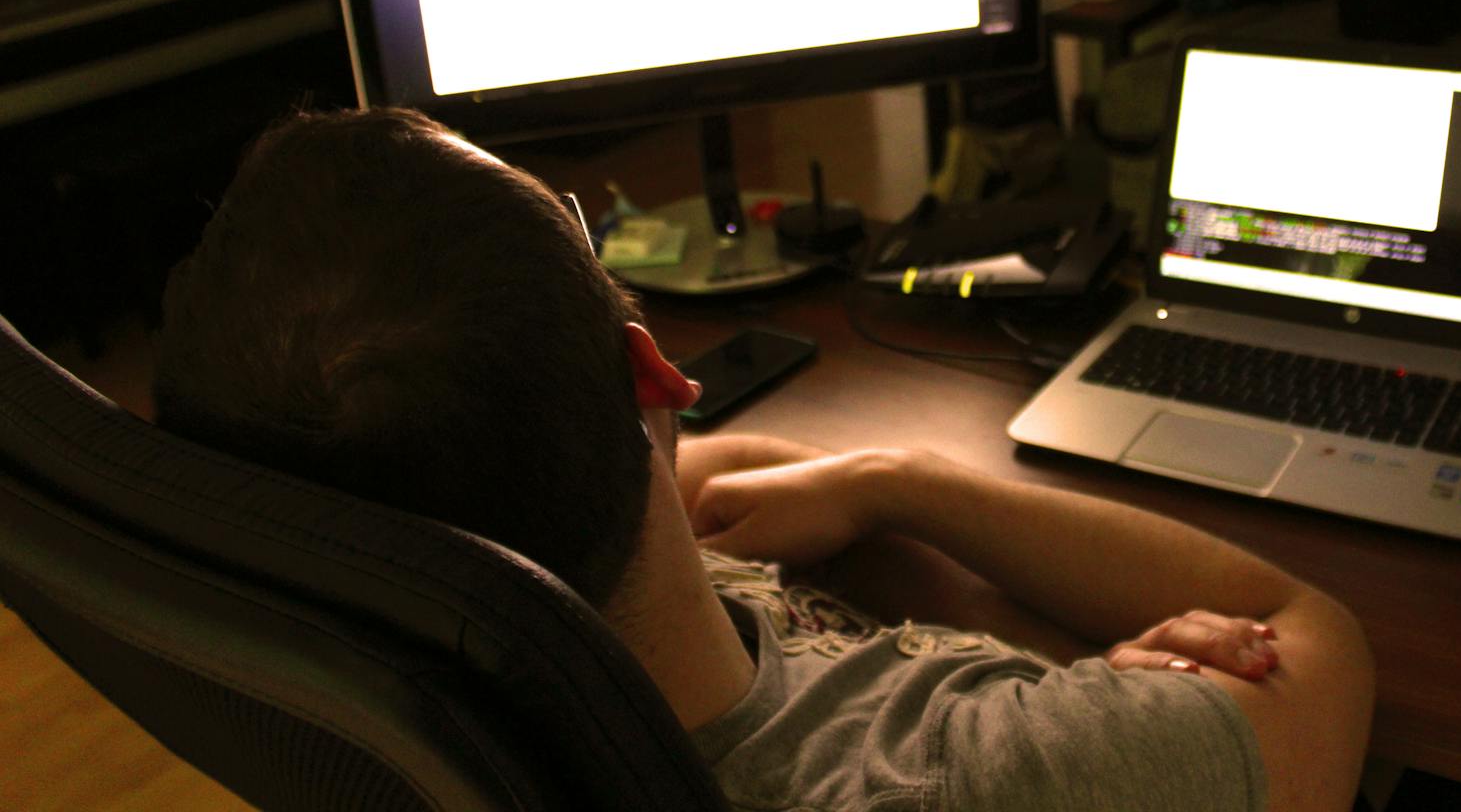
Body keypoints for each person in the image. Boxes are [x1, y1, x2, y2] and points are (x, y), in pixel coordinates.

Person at [153, 107, 1374, 811]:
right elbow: (1308, 628)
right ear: (654, 373)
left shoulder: (386, 696)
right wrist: (908, 476)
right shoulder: (1009, 773)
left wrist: (853, 492)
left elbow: (676, 478)